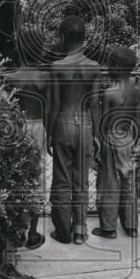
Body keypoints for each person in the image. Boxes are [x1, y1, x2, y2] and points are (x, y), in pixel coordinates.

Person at [46, 16, 102, 246]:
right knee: (81, 180)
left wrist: (50, 132)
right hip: (86, 124)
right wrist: (97, 134)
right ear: (84, 39)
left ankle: (63, 231)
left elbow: (55, 104)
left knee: (62, 179)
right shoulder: (94, 67)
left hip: (63, 122)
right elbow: (95, 103)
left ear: (61, 38)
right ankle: (80, 230)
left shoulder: (57, 67)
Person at [2, 24, 49, 250]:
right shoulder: (45, 77)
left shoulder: (10, 77)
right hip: (38, 128)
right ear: (40, 50)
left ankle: (17, 232)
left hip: (16, 128)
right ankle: (33, 232)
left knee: (16, 176)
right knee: (37, 178)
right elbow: (50, 108)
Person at [93, 45, 140, 239]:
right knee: (128, 183)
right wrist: (134, 141)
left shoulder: (109, 93)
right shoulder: (135, 91)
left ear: (115, 67)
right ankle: (131, 226)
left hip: (111, 139)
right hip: (127, 137)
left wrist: (100, 147)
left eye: (109, 65)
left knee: (109, 183)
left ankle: (108, 228)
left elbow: (104, 123)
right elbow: (137, 119)